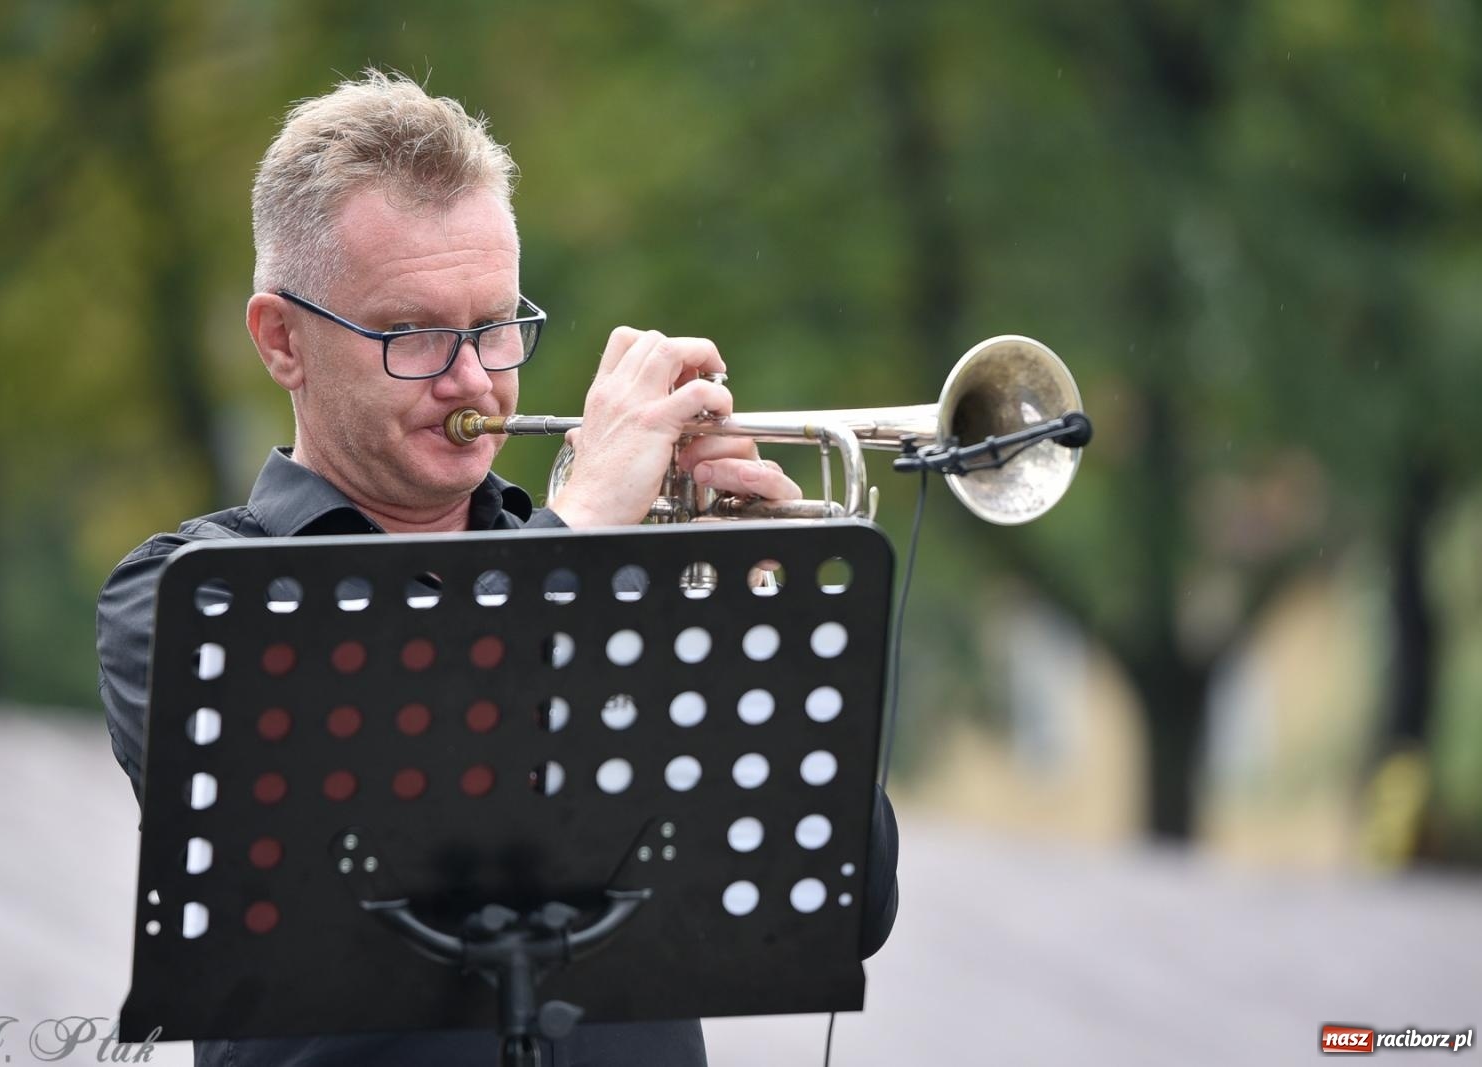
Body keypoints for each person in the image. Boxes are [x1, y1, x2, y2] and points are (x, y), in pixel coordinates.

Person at [97, 70, 896, 1067]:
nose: (474, 377)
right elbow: (399, 810)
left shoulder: (618, 566)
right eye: (414, 332)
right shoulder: (193, 591)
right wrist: (585, 532)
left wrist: (761, 603)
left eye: (494, 323)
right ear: (282, 340)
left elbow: (849, 903)